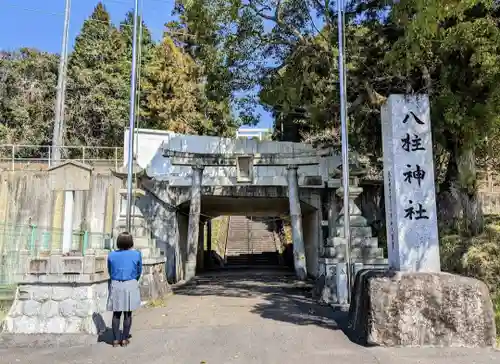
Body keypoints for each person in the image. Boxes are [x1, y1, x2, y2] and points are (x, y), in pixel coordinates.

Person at [107, 232, 142, 347]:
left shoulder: (111, 255)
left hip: (116, 284)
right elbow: (139, 270)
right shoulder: (136, 254)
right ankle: (125, 339)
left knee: (116, 313)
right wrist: (133, 279)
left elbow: (110, 270)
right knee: (128, 313)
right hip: (130, 283)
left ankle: (116, 339)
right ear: (131, 242)